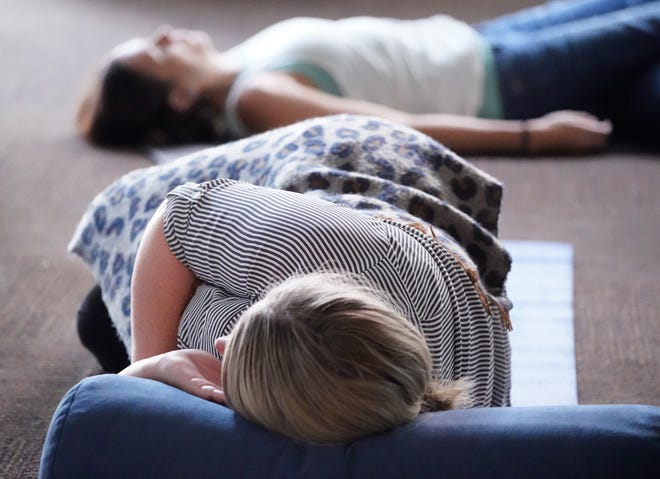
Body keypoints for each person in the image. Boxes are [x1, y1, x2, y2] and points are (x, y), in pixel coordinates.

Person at [71, 115, 512, 444]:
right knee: (117, 302)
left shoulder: (437, 430)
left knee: (98, 321)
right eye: (237, 337)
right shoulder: (307, 246)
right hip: (355, 164)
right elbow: (177, 215)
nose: (223, 345)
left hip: (409, 289)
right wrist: (152, 374)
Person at [75, 0, 659, 155]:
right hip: (503, 85)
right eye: (156, 52)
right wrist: (537, 135)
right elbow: (397, 128)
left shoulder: (241, 62)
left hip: (476, 40)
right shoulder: (257, 97)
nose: (164, 35)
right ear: (179, 95)